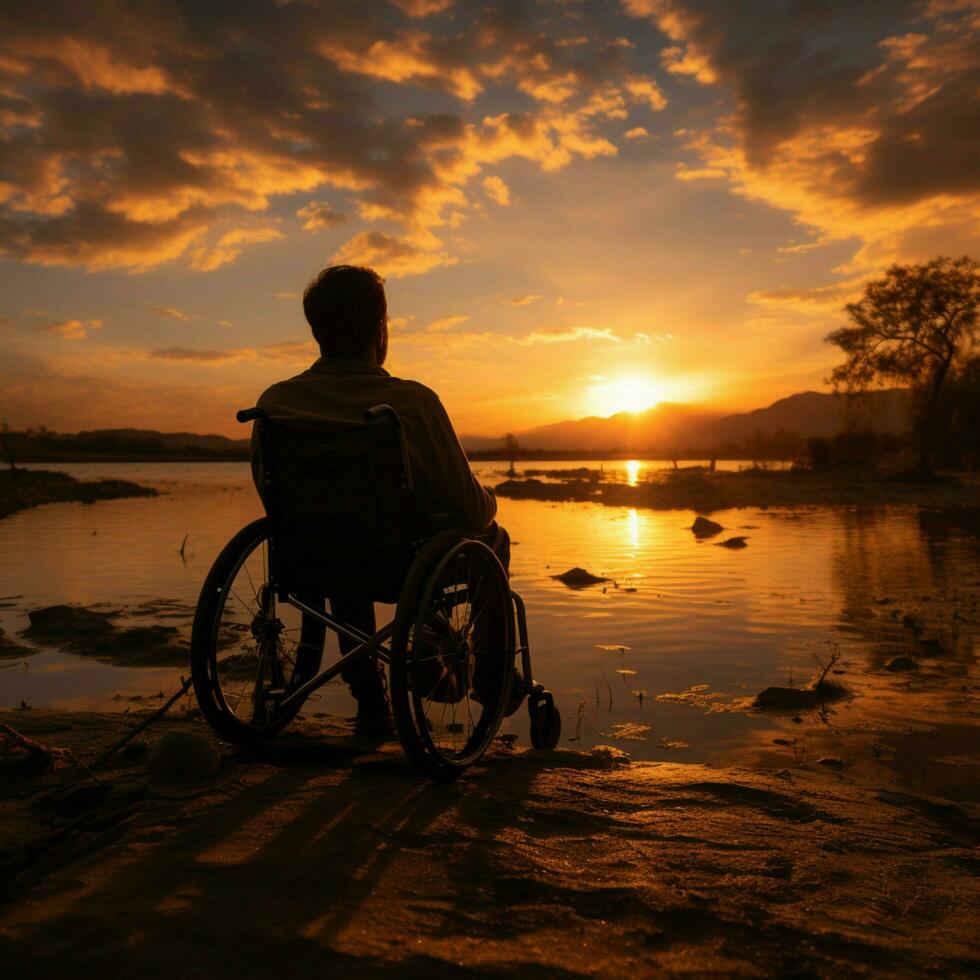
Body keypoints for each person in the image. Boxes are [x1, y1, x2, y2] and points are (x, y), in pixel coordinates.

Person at [253, 264, 510, 733]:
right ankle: (492, 684)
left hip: (311, 556)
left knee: (341, 544)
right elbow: (469, 509)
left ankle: (369, 695)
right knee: (495, 539)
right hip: (399, 564)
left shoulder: (276, 403)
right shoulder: (409, 403)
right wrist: (490, 499)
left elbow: (272, 495)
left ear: (316, 329)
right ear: (380, 327)